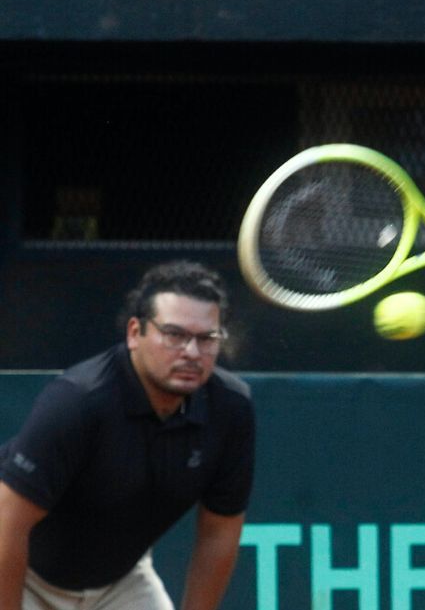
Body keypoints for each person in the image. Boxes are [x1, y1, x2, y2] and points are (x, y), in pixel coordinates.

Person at [0, 261, 255, 610]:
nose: (192, 352)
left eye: (206, 338)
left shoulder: (231, 409)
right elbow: (7, 523)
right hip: (19, 573)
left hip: (119, 584)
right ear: (135, 333)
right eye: (175, 335)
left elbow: (219, 531)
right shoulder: (78, 401)